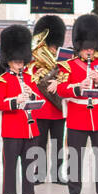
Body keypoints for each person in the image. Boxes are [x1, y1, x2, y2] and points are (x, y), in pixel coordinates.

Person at [49, 13, 98, 194]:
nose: (89, 51)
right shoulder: (68, 66)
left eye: (92, 48)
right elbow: (60, 89)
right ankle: (73, 191)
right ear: (79, 47)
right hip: (78, 116)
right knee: (75, 156)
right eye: (86, 48)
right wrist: (78, 88)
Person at [0, 24, 42, 194]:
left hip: (30, 128)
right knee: (10, 164)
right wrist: (16, 100)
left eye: (22, 61)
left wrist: (31, 95)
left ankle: (29, 193)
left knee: (30, 163)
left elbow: (38, 100)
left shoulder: (29, 79)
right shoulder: (2, 80)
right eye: (16, 61)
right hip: (12, 129)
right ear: (9, 61)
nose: (20, 64)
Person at [30, 14, 67, 185]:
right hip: (41, 109)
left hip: (58, 109)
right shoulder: (34, 64)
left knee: (58, 144)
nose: (52, 50)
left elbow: (68, 79)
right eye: (50, 47)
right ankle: (39, 173)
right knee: (40, 144)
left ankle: (58, 175)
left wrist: (58, 80)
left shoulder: (63, 62)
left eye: (54, 47)